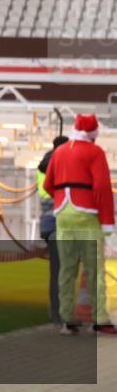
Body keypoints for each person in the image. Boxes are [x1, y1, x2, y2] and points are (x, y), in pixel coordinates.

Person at [43, 114, 116, 335]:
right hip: (87, 215)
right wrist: (107, 223)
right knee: (95, 270)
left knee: (67, 270)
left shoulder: (60, 151)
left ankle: (68, 320)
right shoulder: (95, 152)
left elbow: (48, 184)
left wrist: (61, 201)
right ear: (93, 134)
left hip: (63, 216)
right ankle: (100, 319)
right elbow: (102, 188)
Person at [37, 135, 68, 326]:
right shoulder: (58, 164)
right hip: (58, 224)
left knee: (58, 270)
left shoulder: (45, 163)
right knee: (62, 271)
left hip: (49, 225)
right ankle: (58, 312)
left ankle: (58, 311)